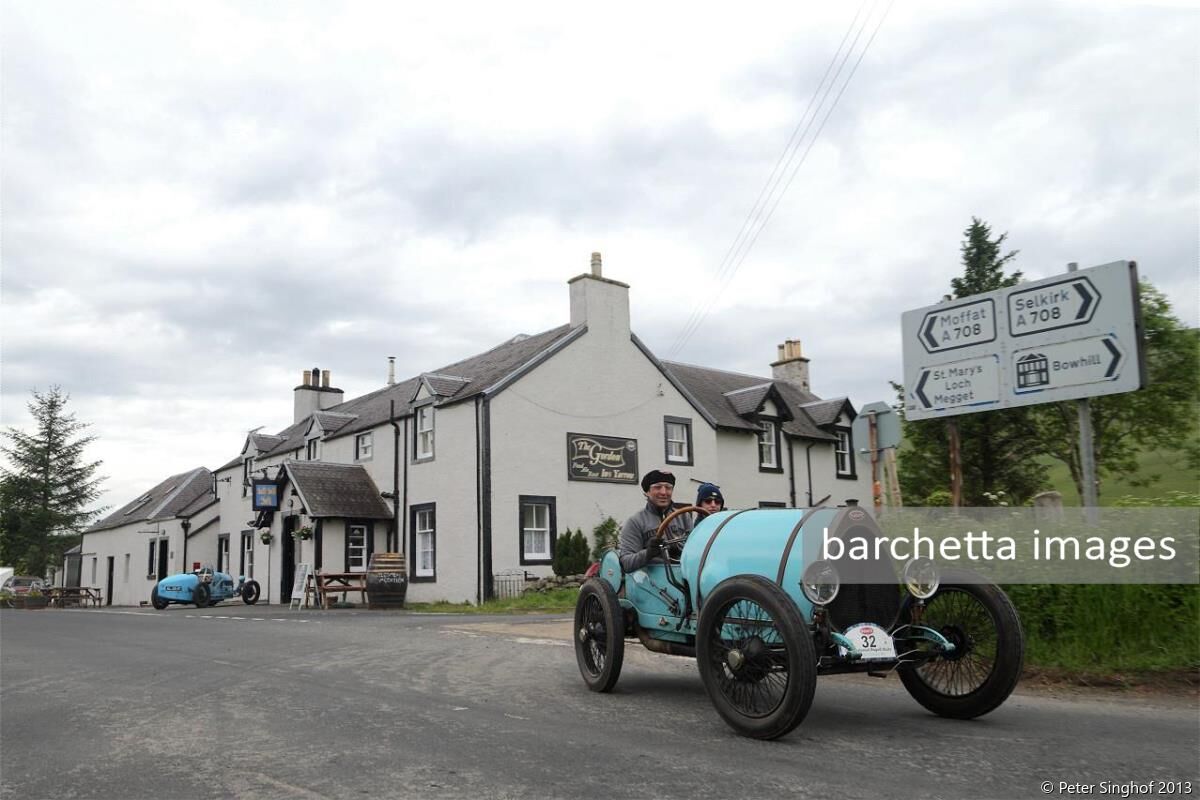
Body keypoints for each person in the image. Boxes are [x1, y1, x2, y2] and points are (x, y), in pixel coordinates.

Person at [619, 469, 695, 572]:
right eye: (657, 487)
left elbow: (695, 550)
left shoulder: (684, 517)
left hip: (686, 574)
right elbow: (626, 563)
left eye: (668, 487)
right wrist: (649, 553)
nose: (663, 492)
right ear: (647, 492)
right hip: (653, 582)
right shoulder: (635, 522)